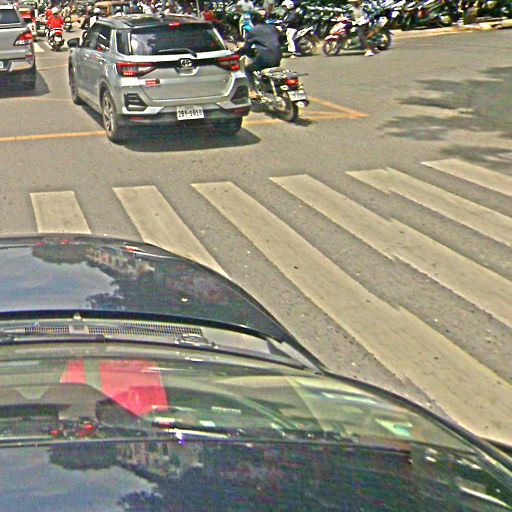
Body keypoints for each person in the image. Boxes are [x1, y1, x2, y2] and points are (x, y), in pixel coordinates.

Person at [238, 12, 281, 95]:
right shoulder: (273, 28)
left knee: (248, 69)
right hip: (277, 57)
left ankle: (253, 91)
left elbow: (247, 47)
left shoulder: (253, 31)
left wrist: (240, 52)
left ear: (253, 21)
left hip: (264, 59)